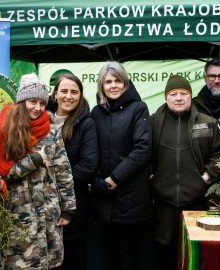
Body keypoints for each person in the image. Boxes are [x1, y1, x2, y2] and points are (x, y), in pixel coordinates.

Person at [0, 73, 76, 269]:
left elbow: (64, 171)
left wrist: (69, 207)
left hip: (48, 212)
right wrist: (34, 160)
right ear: (22, 101)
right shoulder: (3, 129)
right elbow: (1, 172)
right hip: (17, 213)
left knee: (48, 263)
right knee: (19, 263)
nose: (37, 108)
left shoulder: (52, 131)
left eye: (42, 103)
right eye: (32, 101)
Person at [150, 75, 220, 270]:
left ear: (190, 97)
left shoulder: (208, 123)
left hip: (198, 199)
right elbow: (141, 153)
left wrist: (206, 177)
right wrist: (151, 177)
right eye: (173, 94)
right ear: (166, 98)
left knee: (196, 249)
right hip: (164, 201)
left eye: (183, 93)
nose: (178, 98)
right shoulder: (153, 122)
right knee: (164, 250)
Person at [91, 62, 153, 270]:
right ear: (101, 86)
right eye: (108, 82)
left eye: (118, 80)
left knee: (128, 256)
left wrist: (114, 178)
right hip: (103, 197)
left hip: (130, 197)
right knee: (109, 255)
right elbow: (91, 150)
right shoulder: (96, 112)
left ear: (126, 83)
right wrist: (96, 179)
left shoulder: (138, 108)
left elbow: (142, 150)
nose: (113, 85)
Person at [47, 73, 98, 270]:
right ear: (55, 94)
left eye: (74, 92)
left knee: (73, 256)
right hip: (43, 203)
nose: (69, 96)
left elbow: (88, 166)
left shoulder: (86, 123)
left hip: (74, 203)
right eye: (64, 91)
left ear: (80, 95)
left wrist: (55, 181)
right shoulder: (42, 119)